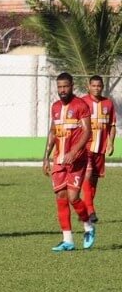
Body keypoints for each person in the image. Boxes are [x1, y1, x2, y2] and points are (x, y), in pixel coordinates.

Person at [45, 72, 95, 251]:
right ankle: (68, 240)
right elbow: (52, 131)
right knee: (61, 196)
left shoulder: (80, 105)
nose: (62, 90)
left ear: (72, 85)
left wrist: (74, 151)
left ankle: (88, 225)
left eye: (65, 86)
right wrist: (45, 156)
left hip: (77, 159)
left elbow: (87, 131)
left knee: (73, 197)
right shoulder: (55, 107)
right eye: (59, 87)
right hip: (59, 159)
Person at [82, 74, 116, 224]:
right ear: (89, 87)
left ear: (102, 87)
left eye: (99, 86)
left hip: (100, 148)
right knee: (87, 176)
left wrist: (111, 143)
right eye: (93, 86)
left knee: (94, 181)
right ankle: (90, 210)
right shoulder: (82, 102)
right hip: (86, 147)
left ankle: (86, 210)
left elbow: (112, 126)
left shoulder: (108, 103)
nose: (96, 88)